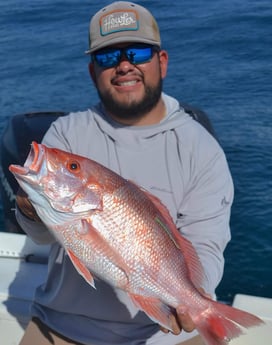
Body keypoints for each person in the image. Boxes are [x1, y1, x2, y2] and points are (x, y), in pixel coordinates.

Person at [15, 1, 234, 345]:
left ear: (162, 63)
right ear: (92, 72)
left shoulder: (201, 149)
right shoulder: (66, 133)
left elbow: (205, 242)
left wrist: (193, 301)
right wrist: (29, 210)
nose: (124, 65)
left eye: (137, 52)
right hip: (61, 326)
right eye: (107, 57)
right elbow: (44, 236)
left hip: (165, 335)